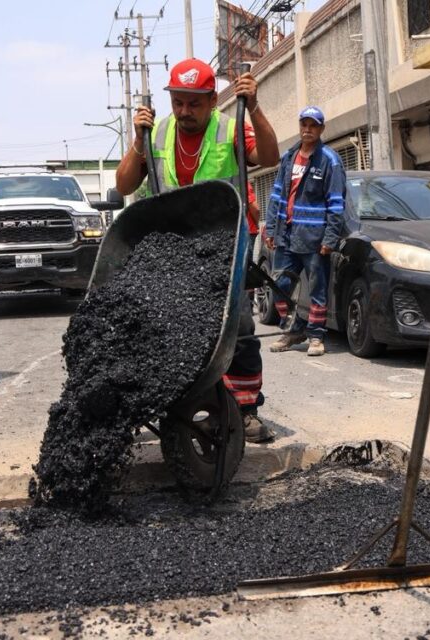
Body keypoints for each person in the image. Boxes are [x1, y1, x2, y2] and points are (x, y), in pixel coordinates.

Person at [115, 58, 281, 443]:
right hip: (173, 248)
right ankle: (167, 402)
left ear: (212, 100)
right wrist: (137, 142)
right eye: (178, 102)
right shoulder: (156, 134)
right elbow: (124, 185)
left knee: (237, 325)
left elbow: (270, 158)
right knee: (163, 326)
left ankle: (245, 409)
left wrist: (255, 107)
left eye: (193, 103)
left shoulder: (230, 128)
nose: (185, 111)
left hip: (223, 244)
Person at [263, 106, 345, 357]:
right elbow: (276, 195)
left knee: (317, 289)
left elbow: (336, 203)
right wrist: (271, 229)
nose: (307, 129)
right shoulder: (289, 157)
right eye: (304, 124)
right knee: (279, 286)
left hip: (314, 238)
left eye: (313, 125)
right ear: (300, 127)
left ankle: (316, 337)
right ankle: (293, 330)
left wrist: (330, 238)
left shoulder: (330, 160)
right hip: (286, 235)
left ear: (321, 129)